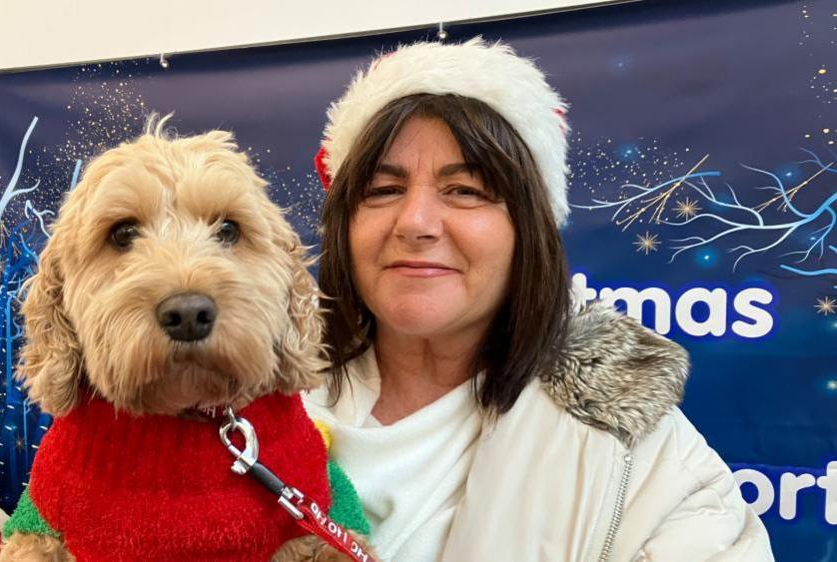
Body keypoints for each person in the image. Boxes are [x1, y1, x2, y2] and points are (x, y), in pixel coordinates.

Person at [303, 38, 774, 562]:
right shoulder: (244, 397)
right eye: (383, 190)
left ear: (530, 228)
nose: (414, 223)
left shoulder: (636, 456)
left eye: (465, 190)